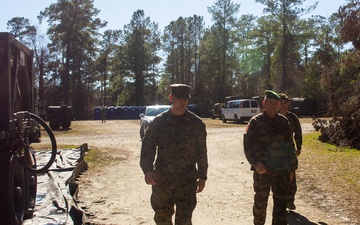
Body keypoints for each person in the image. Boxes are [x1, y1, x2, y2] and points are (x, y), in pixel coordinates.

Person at [140, 84, 208, 225]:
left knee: (184, 221)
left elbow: (201, 151)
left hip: (187, 182)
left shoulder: (196, 124)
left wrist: (202, 176)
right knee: (162, 219)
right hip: (163, 181)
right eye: (178, 98)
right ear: (171, 98)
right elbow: (148, 147)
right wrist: (147, 170)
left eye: (185, 99)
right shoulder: (159, 122)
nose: (182, 102)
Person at [243, 90, 298, 225]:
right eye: (270, 102)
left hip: (281, 171)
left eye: (276, 103)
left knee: (280, 205)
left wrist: (292, 168)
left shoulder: (284, 122)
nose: (273, 106)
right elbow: (247, 145)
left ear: (279, 104)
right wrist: (255, 163)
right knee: (260, 204)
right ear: (264, 103)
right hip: (263, 171)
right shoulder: (255, 122)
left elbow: (290, 146)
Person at [278, 93, 303, 211]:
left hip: (289, 151)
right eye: (281, 102)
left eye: (285, 102)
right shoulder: (273, 117)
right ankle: (280, 201)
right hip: (276, 153)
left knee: (291, 176)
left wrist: (299, 147)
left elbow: (298, 132)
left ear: (288, 103)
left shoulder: (292, 118)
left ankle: (290, 200)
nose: (283, 105)